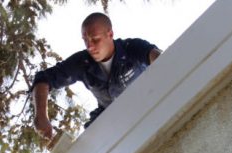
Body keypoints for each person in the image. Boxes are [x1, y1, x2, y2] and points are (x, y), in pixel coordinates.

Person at [32, 12, 162, 139]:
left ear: (110, 34)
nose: (90, 47)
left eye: (95, 39)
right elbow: (43, 79)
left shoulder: (132, 47)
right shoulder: (82, 62)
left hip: (148, 103)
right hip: (111, 117)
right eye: (85, 41)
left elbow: (160, 58)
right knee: (88, 140)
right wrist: (41, 116)